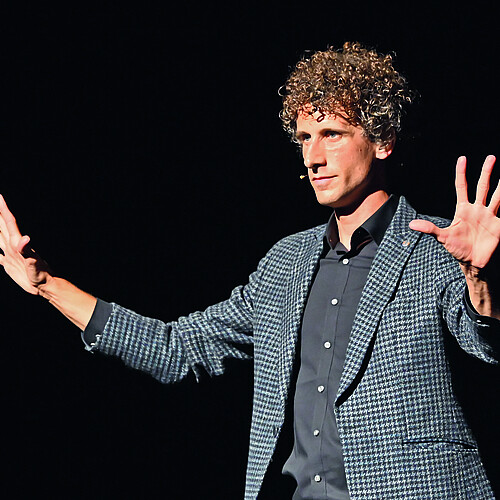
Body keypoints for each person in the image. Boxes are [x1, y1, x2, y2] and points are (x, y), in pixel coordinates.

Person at [1, 42, 499, 499]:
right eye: (304, 138)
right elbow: (177, 349)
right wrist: (48, 286)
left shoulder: (437, 245)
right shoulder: (286, 262)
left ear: (383, 140)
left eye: (332, 135)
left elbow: (489, 349)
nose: (313, 157)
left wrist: (480, 279)